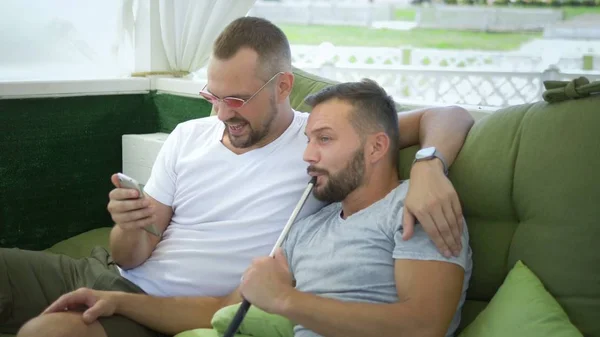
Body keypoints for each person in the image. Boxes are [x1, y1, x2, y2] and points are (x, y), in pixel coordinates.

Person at [2, 17, 473, 337]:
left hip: (171, 309)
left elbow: (448, 114)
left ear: (282, 86)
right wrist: (129, 226)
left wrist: (430, 165)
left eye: (238, 99)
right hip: (114, 273)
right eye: (213, 95)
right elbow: (136, 253)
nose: (222, 113)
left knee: (50, 330)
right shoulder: (194, 138)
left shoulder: (322, 141)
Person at [239, 79, 472, 337]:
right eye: (309, 140)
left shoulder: (416, 205)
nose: (307, 155)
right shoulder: (306, 228)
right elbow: (237, 302)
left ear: (376, 147)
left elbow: (424, 326)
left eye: (324, 138)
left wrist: (285, 299)